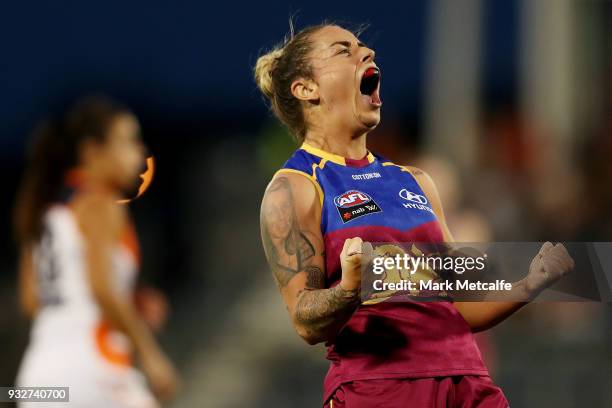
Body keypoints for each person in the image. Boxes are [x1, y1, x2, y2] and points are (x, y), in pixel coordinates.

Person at [256, 23, 574, 407]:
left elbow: (459, 301)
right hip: (382, 388)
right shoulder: (297, 187)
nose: (367, 53)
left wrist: (529, 285)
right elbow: (304, 319)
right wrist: (349, 288)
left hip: (468, 381)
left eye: (363, 47)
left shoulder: (416, 181)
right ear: (306, 89)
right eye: (343, 50)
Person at [14, 95, 178, 407]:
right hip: (92, 372)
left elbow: (32, 300)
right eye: (128, 141)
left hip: (37, 378)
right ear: (92, 151)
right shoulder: (100, 205)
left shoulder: (44, 212)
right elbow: (102, 287)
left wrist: (130, 300)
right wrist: (151, 356)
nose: (139, 152)